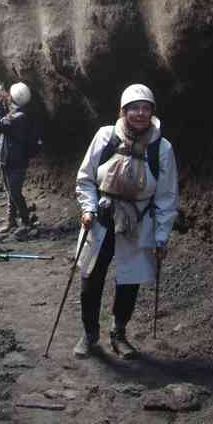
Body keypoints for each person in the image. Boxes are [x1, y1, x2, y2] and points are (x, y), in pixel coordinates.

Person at [73, 84, 179, 359]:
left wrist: (161, 236)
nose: (140, 113)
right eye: (134, 108)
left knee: (129, 281)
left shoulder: (161, 148)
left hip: (137, 221)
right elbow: (86, 177)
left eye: (146, 108)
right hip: (101, 218)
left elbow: (166, 196)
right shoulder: (106, 136)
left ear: (152, 112)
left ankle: (118, 334)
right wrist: (88, 208)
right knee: (91, 277)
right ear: (123, 111)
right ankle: (89, 334)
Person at [0, 81, 37, 234]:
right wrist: (4, 99)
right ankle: (12, 220)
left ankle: (25, 221)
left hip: (13, 160)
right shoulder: (22, 113)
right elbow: (9, 114)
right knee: (10, 190)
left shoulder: (17, 118)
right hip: (12, 158)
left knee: (14, 192)